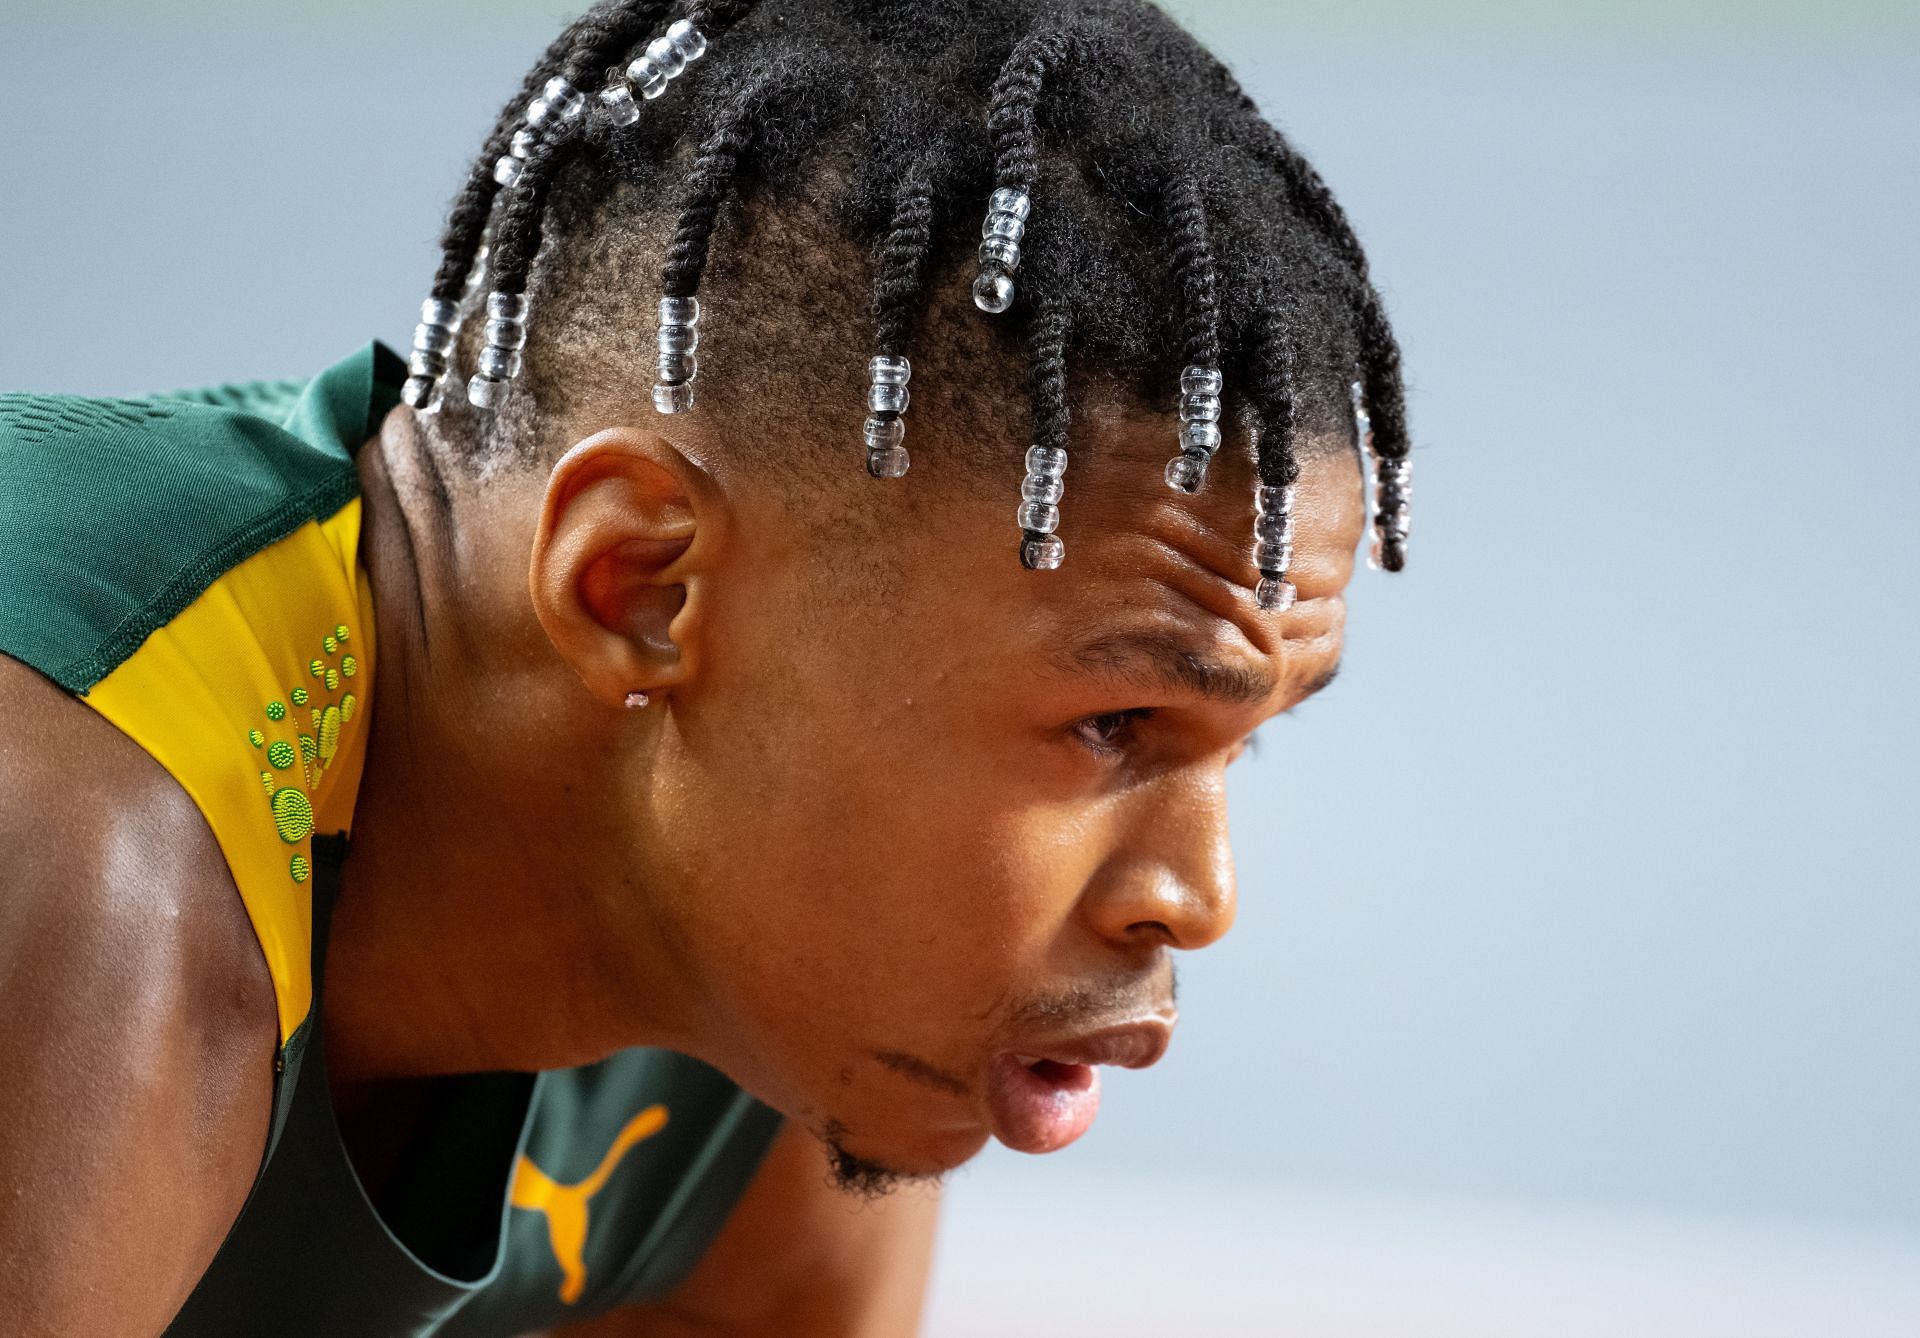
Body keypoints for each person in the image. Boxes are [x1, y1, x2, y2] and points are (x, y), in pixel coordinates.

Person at [0, 0, 1414, 1333]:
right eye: (1116, 719)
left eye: (1247, 739)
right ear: (640, 586)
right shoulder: (90, 835)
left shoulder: (778, 986)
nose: (1203, 898)